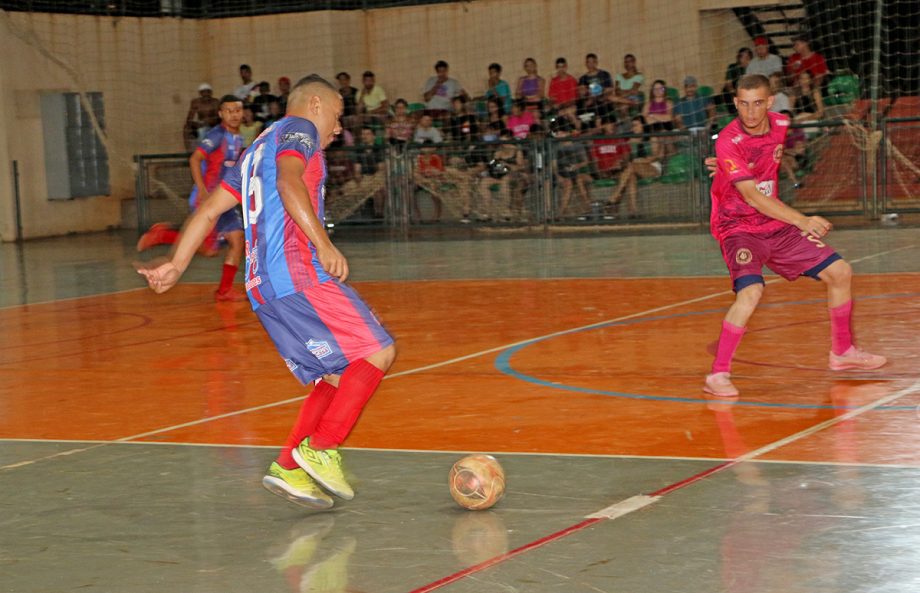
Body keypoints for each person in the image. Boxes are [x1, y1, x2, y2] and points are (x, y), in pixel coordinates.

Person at [135, 74, 397, 509]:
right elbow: (289, 184)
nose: (337, 128)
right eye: (336, 114)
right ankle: (322, 447)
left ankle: (289, 469)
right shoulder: (301, 130)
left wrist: (176, 265)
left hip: (262, 286)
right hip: (296, 272)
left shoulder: (258, 146)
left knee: (334, 373)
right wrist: (324, 243)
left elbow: (210, 210)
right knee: (377, 352)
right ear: (314, 104)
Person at [703, 74, 885, 397]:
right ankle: (718, 374)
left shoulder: (782, 125)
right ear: (735, 103)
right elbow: (753, 197)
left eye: (757, 103)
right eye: (743, 104)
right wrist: (803, 220)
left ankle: (842, 353)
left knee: (840, 272)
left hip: (774, 224)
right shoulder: (728, 140)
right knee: (752, 292)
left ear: (770, 102)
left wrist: (732, 168)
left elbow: (766, 160)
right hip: (739, 227)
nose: (750, 112)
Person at [137, 94, 247, 302]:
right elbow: (195, 159)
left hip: (225, 199)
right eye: (229, 111)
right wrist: (202, 189)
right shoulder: (216, 135)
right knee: (208, 251)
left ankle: (224, 290)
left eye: (238, 110)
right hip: (209, 198)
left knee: (237, 240)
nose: (234, 114)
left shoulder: (239, 137)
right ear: (221, 113)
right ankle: (164, 235)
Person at [605, 115, 662, 218]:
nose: (633, 128)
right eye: (632, 126)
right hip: (634, 168)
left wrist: (640, 161)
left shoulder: (652, 137)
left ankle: (614, 197)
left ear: (643, 125)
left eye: (636, 125)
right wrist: (620, 162)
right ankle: (633, 212)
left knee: (632, 166)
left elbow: (655, 156)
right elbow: (627, 158)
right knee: (631, 177)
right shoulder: (630, 140)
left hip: (652, 167)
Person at [183, 83, 221, 152]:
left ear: (211, 93)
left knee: (203, 131)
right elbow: (189, 119)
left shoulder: (215, 102)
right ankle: (191, 153)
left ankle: (204, 151)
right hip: (200, 125)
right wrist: (197, 124)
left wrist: (207, 123)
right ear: (200, 93)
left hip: (214, 126)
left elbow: (218, 119)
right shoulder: (196, 103)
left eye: (208, 92)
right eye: (203, 92)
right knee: (189, 129)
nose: (206, 94)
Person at [717, 48, 753, 115]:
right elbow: (728, 83)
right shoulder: (732, 67)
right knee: (726, 90)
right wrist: (734, 91)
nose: (745, 59)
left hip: (747, 90)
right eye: (743, 57)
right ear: (739, 58)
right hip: (734, 90)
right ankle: (733, 111)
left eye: (747, 57)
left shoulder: (751, 68)